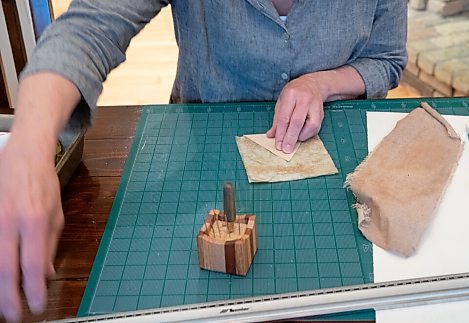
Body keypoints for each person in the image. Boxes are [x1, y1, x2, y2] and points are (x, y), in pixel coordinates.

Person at [0, 0, 407, 321]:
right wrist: (30, 144)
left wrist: (322, 83)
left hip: (340, 148)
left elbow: (387, 60)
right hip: (199, 137)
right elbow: (89, 28)